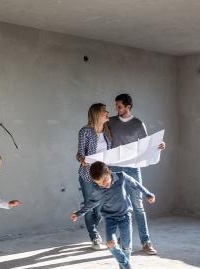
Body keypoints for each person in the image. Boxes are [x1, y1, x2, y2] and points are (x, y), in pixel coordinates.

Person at [108, 93, 165, 255]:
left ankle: (146, 242)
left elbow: (147, 145)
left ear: (128, 107)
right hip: (115, 168)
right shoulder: (110, 122)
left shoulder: (138, 124)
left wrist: (158, 146)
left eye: (119, 106)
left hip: (133, 168)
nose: (116, 109)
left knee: (138, 206)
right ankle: (120, 238)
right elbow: (100, 138)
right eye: (116, 106)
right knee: (119, 206)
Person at [71, 161, 156, 269]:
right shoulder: (99, 190)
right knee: (111, 244)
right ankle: (127, 266)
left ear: (109, 172)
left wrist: (148, 194)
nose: (104, 185)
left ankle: (124, 266)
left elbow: (135, 184)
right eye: (100, 184)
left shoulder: (121, 176)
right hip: (110, 219)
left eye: (105, 181)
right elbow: (91, 203)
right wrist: (78, 213)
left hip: (125, 217)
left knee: (126, 247)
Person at [76, 103, 112, 250]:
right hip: (87, 175)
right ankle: (94, 236)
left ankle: (94, 228)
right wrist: (82, 159)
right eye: (104, 111)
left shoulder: (108, 131)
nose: (107, 112)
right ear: (97, 114)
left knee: (99, 206)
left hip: (103, 175)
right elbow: (78, 153)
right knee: (89, 205)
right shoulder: (85, 131)